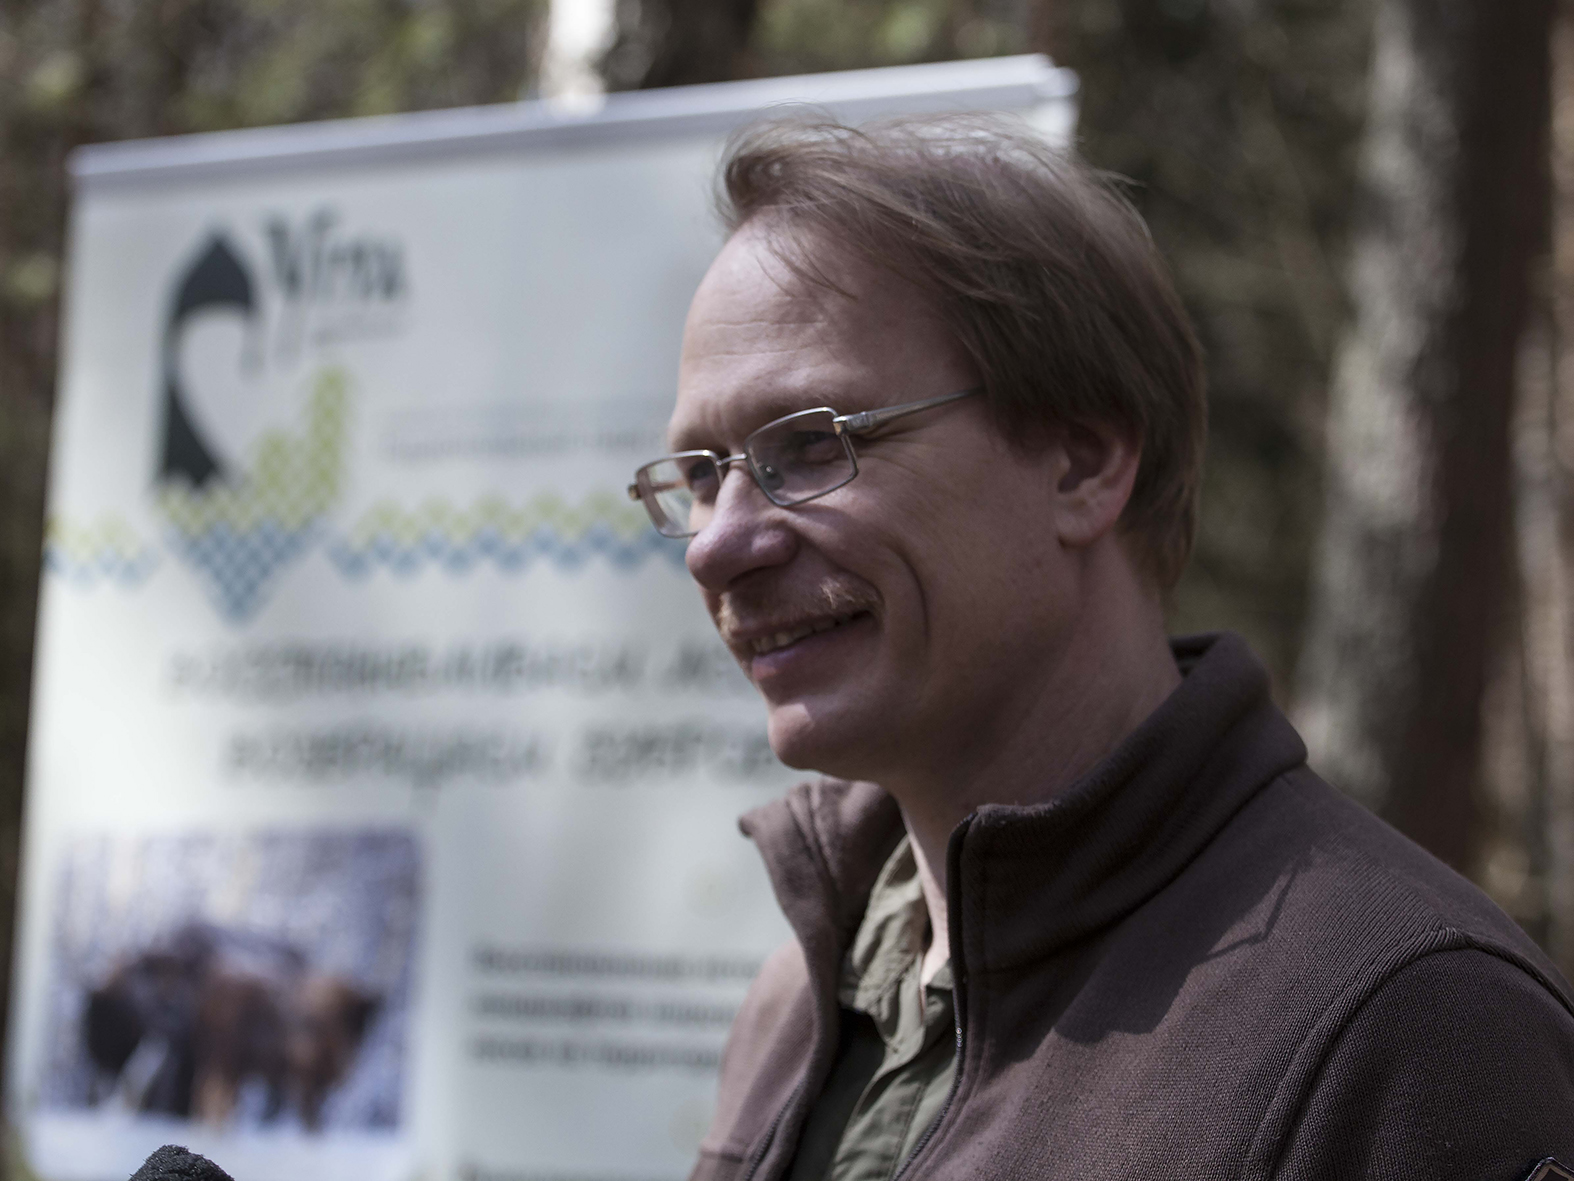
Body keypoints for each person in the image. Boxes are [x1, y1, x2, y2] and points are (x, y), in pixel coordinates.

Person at [626, 114, 1574, 1181]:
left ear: (1081, 463)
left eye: (809, 445)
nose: (717, 546)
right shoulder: (797, 1006)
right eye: (700, 474)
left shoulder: (1404, 1024)